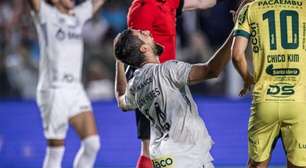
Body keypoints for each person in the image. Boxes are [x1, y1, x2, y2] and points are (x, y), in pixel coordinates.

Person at [114, 28, 233, 168]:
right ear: (144, 48)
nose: (147, 31)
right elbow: (211, 70)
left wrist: (119, 62)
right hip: (186, 157)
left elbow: (121, 100)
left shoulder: (135, 85)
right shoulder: (167, 70)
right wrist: (236, 34)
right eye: (142, 34)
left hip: (163, 159)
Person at [126, 0, 219, 167]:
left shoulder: (170, 2)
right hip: (153, 83)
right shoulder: (142, 8)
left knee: (174, 144)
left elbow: (202, 3)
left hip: (171, 83)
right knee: (150, 146)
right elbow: (134, 48)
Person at [27, 0, 105, 168]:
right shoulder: (46, 14)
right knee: (56, 152)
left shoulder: (78, 15)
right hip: (54, 89)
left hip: (75, 89)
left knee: (92, 144)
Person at [232, 0, 306, 168]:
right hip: (299, 100)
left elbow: (237, 55)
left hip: (265, 99)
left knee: (256, 164)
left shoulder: (249, 9)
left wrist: (247, 78)